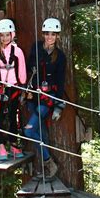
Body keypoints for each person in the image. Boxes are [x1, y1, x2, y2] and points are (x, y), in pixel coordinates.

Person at [23, 18, 66, 178]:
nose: (49, 37)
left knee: (29, 132)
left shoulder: (60, 57)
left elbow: (61, 82)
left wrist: (58, 106)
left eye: (53, 34)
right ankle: (47, 168)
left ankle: (49, 163)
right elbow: (28, 68)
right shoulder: (36, 48)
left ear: (57, 36)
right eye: (47, 34)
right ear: (43, 34)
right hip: (33, 96)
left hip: (48, 98)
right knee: (41, 133)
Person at [0, 19, 27, 160]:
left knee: (12, 118)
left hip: (13, 88)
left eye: (7, 35)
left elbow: (22, 71)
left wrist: (23, 88)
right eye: (2, 35)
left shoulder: (18, 52)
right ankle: (1, 146)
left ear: (12, 34)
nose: (4, 38)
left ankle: (14, 145)